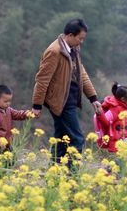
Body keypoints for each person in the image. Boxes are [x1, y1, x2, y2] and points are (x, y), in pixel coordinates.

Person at [31, 18, 102, 166]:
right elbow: (42, 79)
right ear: (70, 35)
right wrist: (36, 105)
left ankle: (54, 172)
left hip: (70, 98)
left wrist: (93, 98)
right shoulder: (54, 52)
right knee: (77, 139)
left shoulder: (73, 49)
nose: (81, 42)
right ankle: (71, 175)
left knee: (62, 137)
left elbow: (81, 73)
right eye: (80, 38)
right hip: (60, 102)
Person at [0, 85, 32, 165]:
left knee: (11, 163)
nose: (8, 104)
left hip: (7, 144)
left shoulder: (8, 110)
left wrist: (27, 113)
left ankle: (6, 176)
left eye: (10, 101)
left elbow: (18, 114)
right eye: (5, 101)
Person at [96, 82, 127, 153]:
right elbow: (106, 121)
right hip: (118, 140)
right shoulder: (115, 109)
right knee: (119, 159)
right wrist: (100, 114)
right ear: (123, 99)